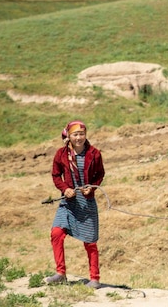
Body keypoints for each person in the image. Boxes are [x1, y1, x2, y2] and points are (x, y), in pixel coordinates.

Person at [46, 120, 105, 289]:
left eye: (81, 134)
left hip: (86, 202)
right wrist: (65, 189)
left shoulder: (94, 153)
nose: (79, 137)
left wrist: (91, 188)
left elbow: (100, 174)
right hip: (68, 201)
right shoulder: (61, 154)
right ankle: (60, 273)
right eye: (75, 134)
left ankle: (95, 278)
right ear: (69, 136)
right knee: (56, 233)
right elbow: (56, 176)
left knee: (90, 241)